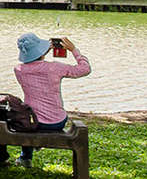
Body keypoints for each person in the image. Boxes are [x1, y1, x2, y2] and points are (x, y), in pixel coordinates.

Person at [13, 33, 92, 167]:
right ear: (42, 51)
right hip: (57, 122)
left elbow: (33, 63)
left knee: (25, 117)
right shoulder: (55, 67)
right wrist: (73, 49)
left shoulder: (19, 70)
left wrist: (42, 50)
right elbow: (85, 69)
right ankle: (31, 151)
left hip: (34, 123)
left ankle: (26, 158)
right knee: (32, 117)